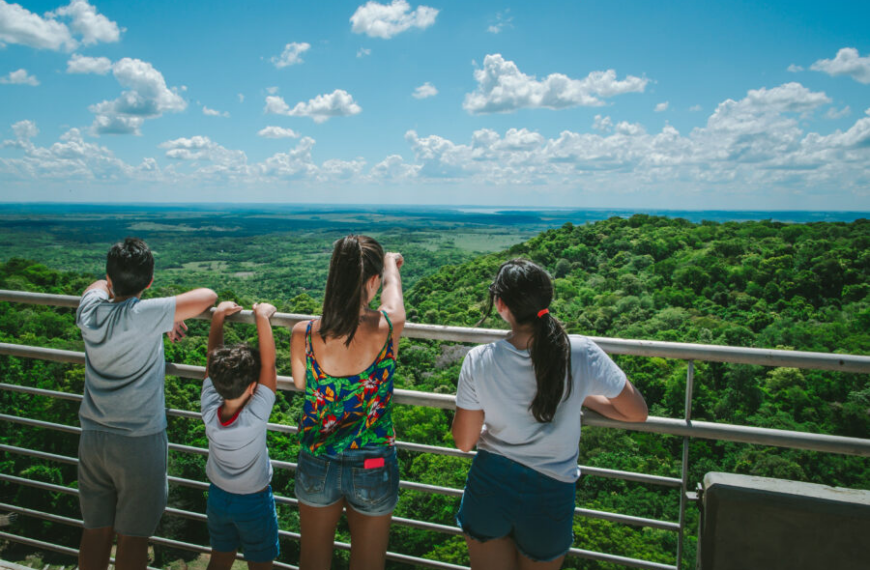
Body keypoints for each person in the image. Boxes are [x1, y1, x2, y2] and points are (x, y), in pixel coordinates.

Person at [451, 259, 648, 570]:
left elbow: (464, 442)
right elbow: (637, 413)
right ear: (546, 299)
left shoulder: (479, 360)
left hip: (490, 484)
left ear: (500, 304)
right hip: (551, 491)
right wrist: (581, 393)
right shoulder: (581, 352)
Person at [75, 237, 217, 570]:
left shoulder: (91, 309)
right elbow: (207, 296)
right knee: (133, 537)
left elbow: (94, 286)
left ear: (110, 280)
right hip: (139, 442)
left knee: (95, 532)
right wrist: (162, 314)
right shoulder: (144, 315)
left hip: (93, 437)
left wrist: (114, 288)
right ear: (150, 282)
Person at [290, 235, 405, 570]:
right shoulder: (387, 327)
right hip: (373, 464)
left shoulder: (304, 333)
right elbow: (394, 300)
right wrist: (389, 267)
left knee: (312, 559)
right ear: (372, 281)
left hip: (317, 460)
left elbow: (301, 382)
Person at [201, 300, 280, 570]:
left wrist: (218, 316)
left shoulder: (210, 406)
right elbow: (269, 365)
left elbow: (213, 358)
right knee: (260, 563)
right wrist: (262, 316)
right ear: (253, 387)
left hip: (219, 497)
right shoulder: (255, 416)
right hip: (254, 501)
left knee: (220, 559)